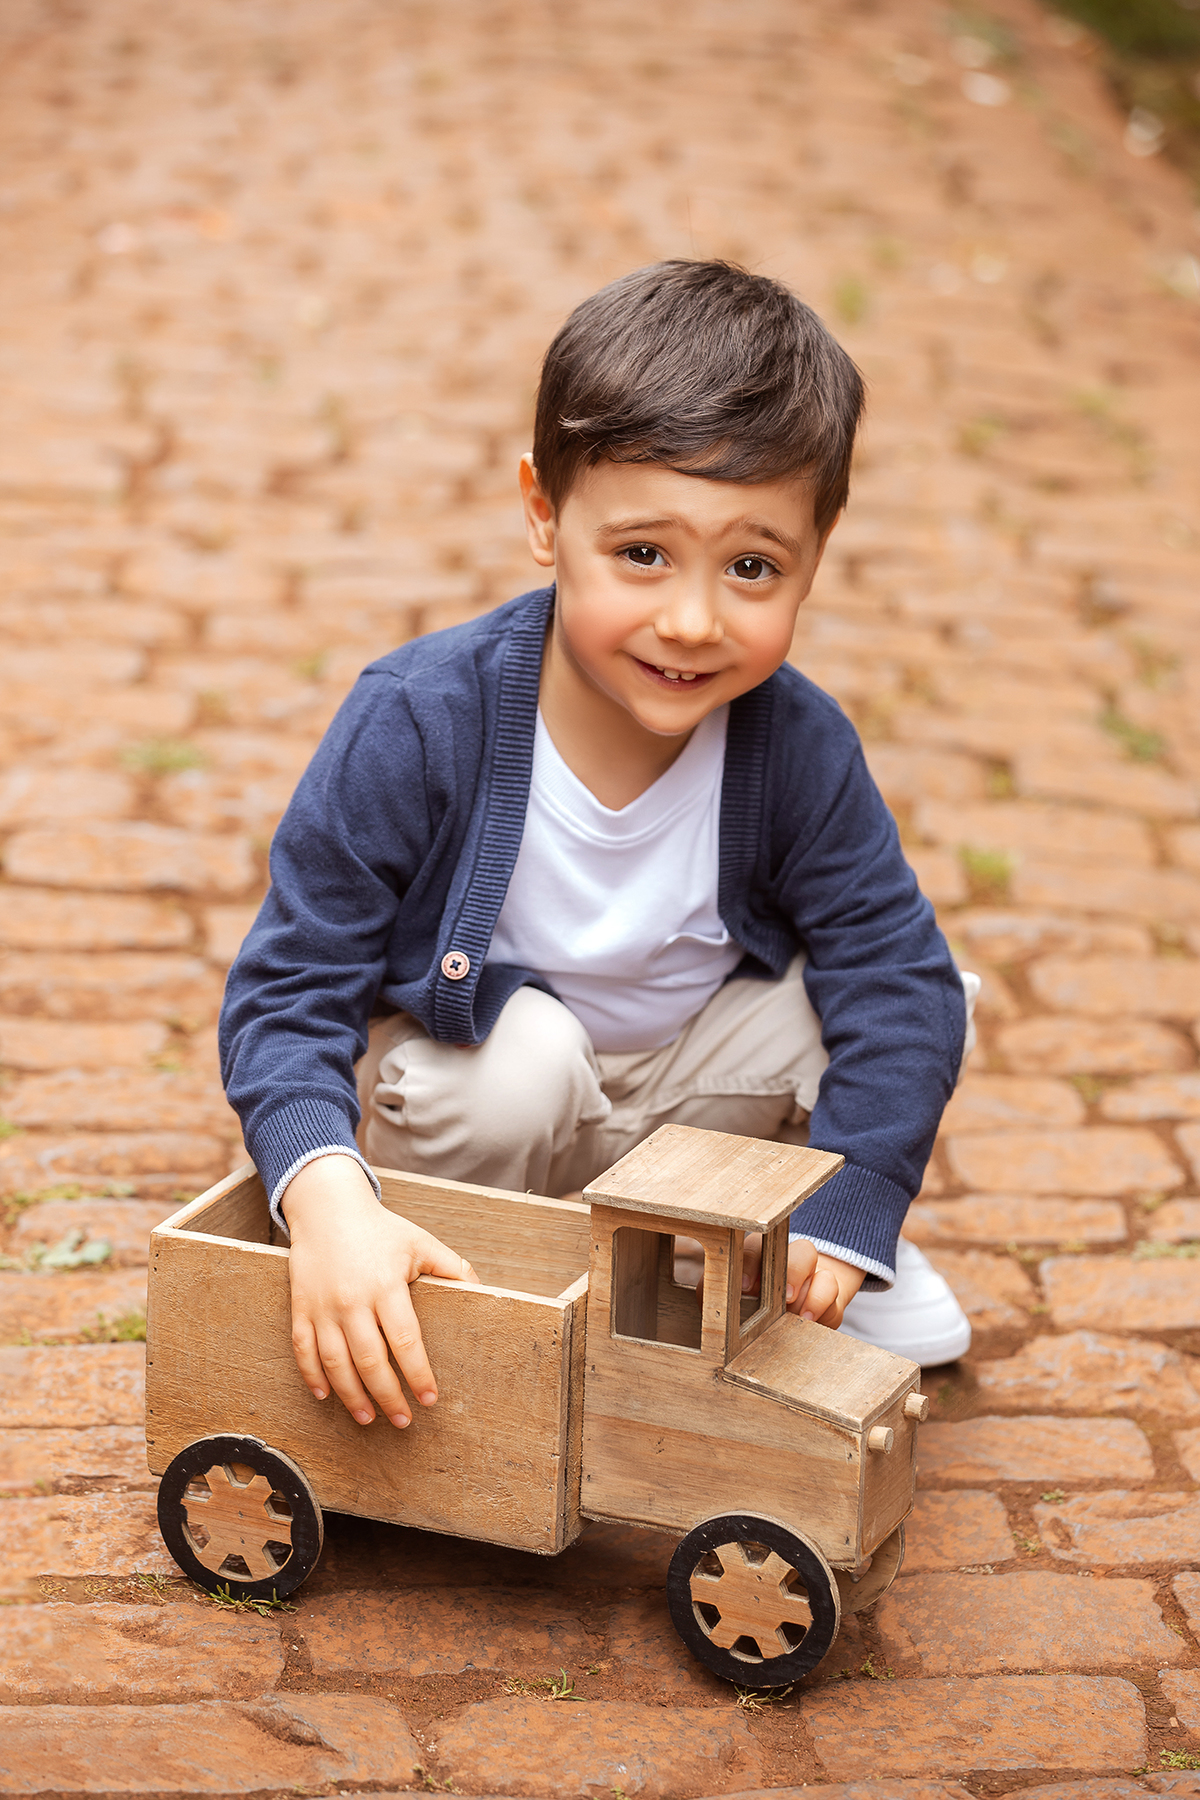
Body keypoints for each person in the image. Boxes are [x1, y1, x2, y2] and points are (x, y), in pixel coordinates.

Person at [220, 259, 974, 1436]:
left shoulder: (798, 745)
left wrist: (856, 1198)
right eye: (643, 554)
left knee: (921, 996)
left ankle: (811, 1240)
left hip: (685, 1099)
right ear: (544, 515)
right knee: (515, 1065)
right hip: (491, 1104)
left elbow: (893, 975)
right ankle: (455, 1270)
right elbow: (290, 987)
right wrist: (323, 1199)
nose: (692, 620)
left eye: (753, 568)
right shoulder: (420, 718)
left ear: (816, 554)